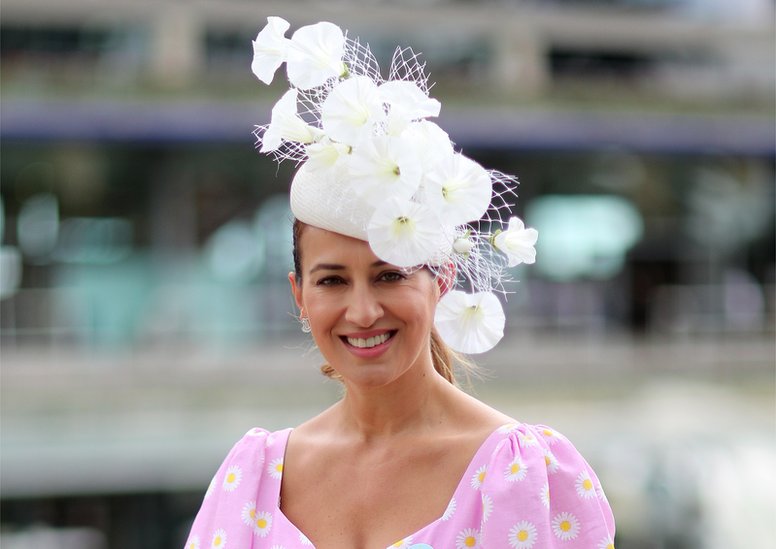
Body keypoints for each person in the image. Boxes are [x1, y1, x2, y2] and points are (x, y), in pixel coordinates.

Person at [184, 16, 615, 549]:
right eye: (332, 281)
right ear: (298, 295)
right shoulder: (251, 479)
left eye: (390, 275)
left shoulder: (528, 478)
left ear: (443, 279)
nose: (362, 311)